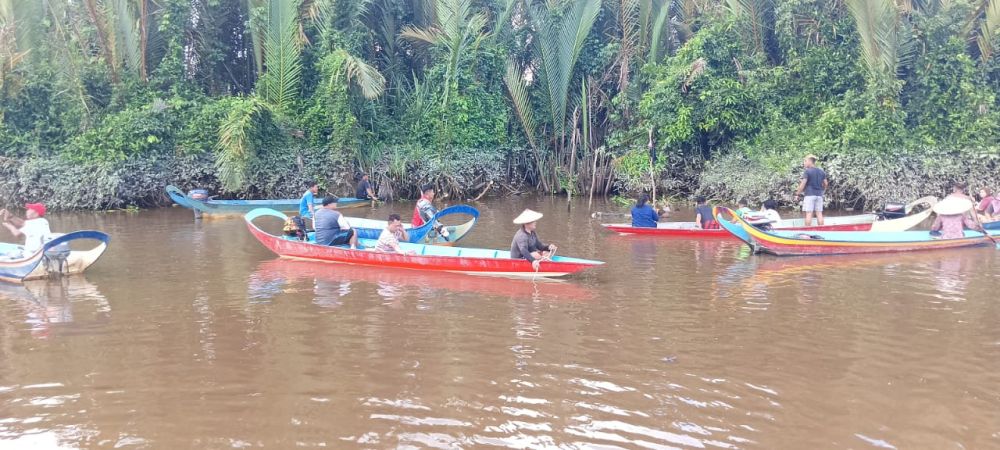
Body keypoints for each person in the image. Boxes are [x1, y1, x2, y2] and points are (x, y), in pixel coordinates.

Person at [794, 154, 828, 226]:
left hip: (809, 195)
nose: (804, 163)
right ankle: (822, 230)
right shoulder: (821, 171)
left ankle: (807, 231)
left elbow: (803, 184)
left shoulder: (807, 171)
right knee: (819, 213)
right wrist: (822, 190)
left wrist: (797, 194)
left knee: (809, 213)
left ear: (810, 161)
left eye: (805, 161)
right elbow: (826, 183)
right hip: (819, 195)